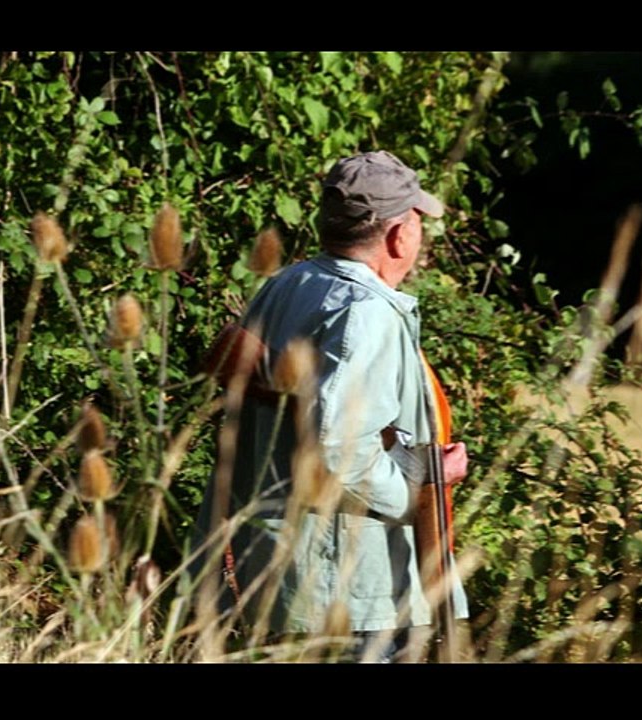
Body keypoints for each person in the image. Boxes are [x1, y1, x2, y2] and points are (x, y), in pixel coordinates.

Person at [190, 150, 469, 662]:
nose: (419, 236)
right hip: (350, 592)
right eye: (416, 222)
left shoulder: (287, 285)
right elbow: (341, 448)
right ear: (398, 234)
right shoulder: (367, 314)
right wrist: (421, 491)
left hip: (285, 578)